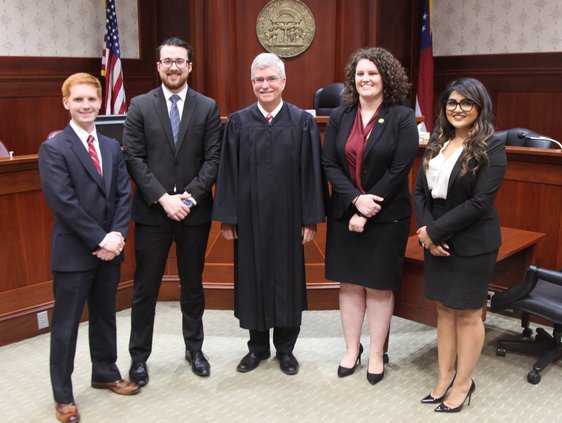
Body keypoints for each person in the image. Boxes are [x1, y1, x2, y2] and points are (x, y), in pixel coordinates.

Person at [212, 53, 326, 375]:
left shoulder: (302, 122)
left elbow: (311, 174)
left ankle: (286, 350)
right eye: (259, 80)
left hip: (289, 218)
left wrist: (309, 218)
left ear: (283, 82)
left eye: (271, 79)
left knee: (288, 280)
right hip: (249, 219)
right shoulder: (237, 122)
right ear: (252, 84)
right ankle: (257, 347)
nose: (265, 85)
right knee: (252, 280)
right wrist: (228, 217)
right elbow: (228, 173)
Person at [38, 73, 139, 423]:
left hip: (110, 250)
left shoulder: (111, 145)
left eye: (92, 100)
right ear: (66, 102)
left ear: (100, 103)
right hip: (74, 253)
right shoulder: (54, 148)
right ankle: (63, 396)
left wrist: (116, 236)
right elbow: (63, 203)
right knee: (66, 326)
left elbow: (123, 194)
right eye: (78, 100)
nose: (86, 106)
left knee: (103, 316)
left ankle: (105, 372)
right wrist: (101, 239)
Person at [123, 37, 222, 384]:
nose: (174, 67)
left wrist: (189, 197)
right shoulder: (139, 106)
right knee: (145, 289)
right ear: (158, 66)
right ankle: (139, 358)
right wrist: (164, 198)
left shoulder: (207, 107)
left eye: (180, 61)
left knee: (192, 286)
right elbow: (133, 157)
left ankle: (195, 349)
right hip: (152, 213)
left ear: (190, 66)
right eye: (167, 61)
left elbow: (213, 159)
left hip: (194, 214)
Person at [322, 47, 419, 385]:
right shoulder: (340, 115)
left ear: (385, 77)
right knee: (349, 285)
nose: (365, 79)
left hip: (387, 215)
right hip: (345, 213)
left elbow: (399, 168)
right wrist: (354, 202)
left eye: (372, 74)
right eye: (360, 74)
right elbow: (330, 164)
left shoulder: (403, 117)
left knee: (378, 287)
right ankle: (352, 349)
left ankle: (376, 353)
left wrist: (367, 207)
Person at [414, 78, 507, 412]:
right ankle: (444, 376)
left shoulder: (492, 147)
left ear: (480, 107)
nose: (457, 109)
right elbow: (420, 191)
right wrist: (426, 230)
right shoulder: (438, 140)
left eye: (466, 103)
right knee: (443, 309)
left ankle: (464, 383)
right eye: (452, 103)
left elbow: (480, 203)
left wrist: (435, 233)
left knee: (467, 314)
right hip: (435, 234)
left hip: (472, 241)